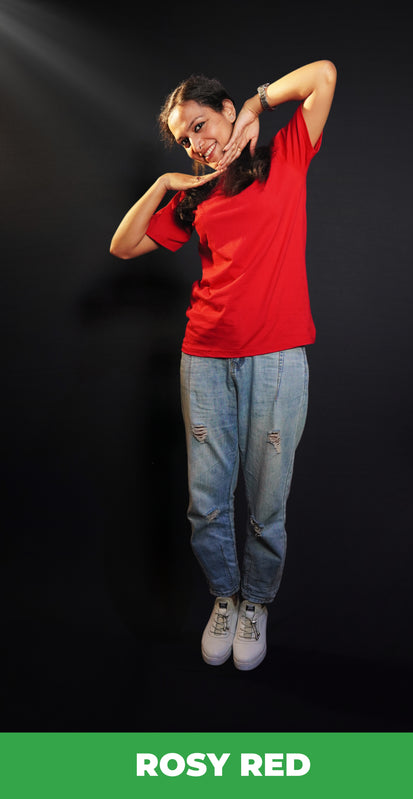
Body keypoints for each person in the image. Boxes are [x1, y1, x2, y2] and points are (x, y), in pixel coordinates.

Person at [110, 60, 337, 671]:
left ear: (229, 110)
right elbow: (123, 246)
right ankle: (225, 597)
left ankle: (257, 603)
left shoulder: (287, 156)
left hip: (277, 360)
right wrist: (164, 182)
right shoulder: (196, 195)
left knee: (267, 502)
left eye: (202, 126)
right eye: (185, 139)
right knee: (206, 502)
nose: (197, 144)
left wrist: (262, 106)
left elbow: (323, 75)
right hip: (204, 358)